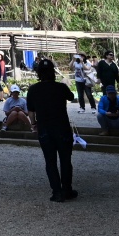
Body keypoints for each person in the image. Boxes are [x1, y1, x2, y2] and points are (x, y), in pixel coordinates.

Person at [25, 58, 78, 202]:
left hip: (45, 129)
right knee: (66, 160)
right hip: (62, 127)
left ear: (38, 73)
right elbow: (71, 97)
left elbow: (31, 111)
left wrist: (33, 124)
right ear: (53, 72)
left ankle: (57, 192)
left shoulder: (33, 89)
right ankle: (67, 189)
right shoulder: (60, 87)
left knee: (50, 161)